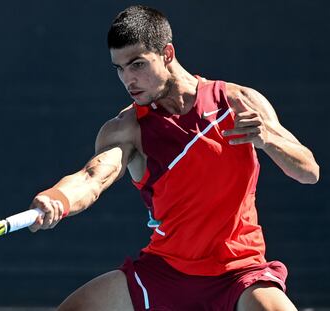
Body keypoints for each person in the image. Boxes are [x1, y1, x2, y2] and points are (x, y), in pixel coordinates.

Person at [29, 5, 319, 311]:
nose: (128, 79)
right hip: (164, 274)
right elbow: (92, 178)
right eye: (119, 68)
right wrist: (57, 199)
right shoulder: (128, 128)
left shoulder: (236, 102)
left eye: (137, 64)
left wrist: (268, 139)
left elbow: (309, 171)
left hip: (240, 273)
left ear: (167, 53)